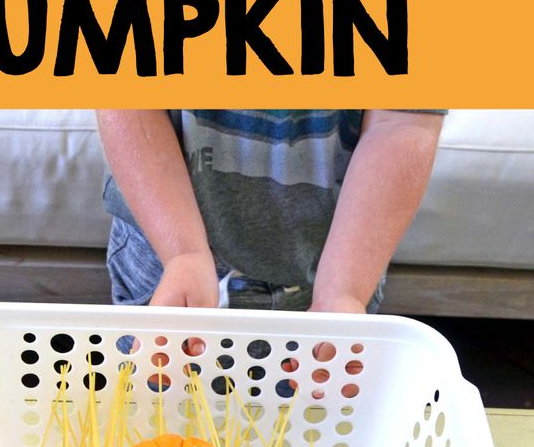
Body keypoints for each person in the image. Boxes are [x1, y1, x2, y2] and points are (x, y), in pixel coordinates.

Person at [97, 109, 445, 315]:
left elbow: (401, 122)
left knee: (311, 424)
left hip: (333, 268)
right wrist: (183, 253)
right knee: (159, 415)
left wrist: (343, 291)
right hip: (162, 256)